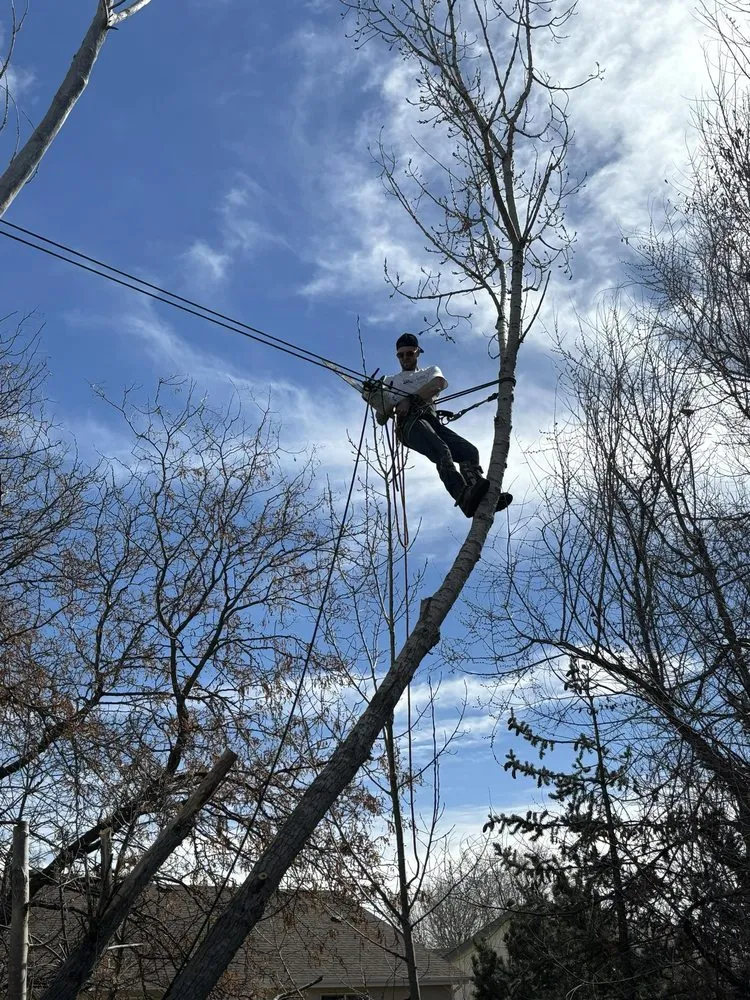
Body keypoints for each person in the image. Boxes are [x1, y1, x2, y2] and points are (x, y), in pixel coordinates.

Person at [364, 333, 512, 518]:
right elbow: (381, 417)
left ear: (417, 352)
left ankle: (482, 496)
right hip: (409, 425)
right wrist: (375, 396)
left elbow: (438, 384)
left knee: (469, 452)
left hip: (430, 420)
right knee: (442, 452)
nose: (405, 358)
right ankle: (462, 496)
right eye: (400, 355)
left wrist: (410, 399)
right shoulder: (390, 381)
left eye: (409, 353)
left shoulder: (429, 372)